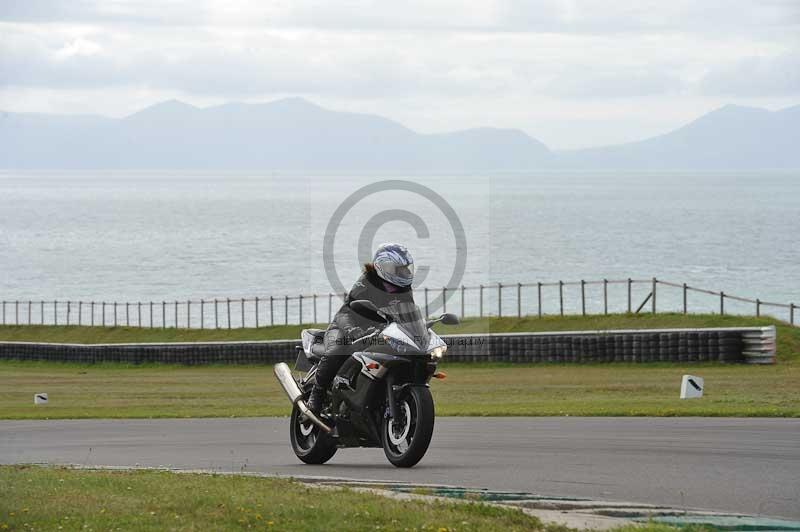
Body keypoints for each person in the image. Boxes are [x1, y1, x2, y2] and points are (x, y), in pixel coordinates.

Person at [307, 243, 416, 414]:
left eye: (405, 269)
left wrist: (419, 328)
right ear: (384, 267)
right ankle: (317, 393)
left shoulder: (404, 288)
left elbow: (409, 314)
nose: (405, 273)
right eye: (399, 269)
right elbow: (347, 312)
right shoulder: (367, 281)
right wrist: (352, 331)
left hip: (377, 331)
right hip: (344, 327)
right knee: (338, 349)